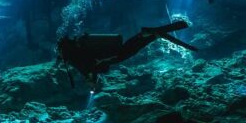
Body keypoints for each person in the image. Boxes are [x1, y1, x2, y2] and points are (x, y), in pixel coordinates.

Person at [56, 21, 197, 91]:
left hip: (109, 56)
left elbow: (89, 67)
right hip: (109, 55)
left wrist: (91, 80)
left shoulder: (74, 60)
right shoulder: (74, 57)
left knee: (129, 50)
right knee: (129, 49)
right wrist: (93, 79)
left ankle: (147, 34)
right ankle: (150, 35)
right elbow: (92, 68)